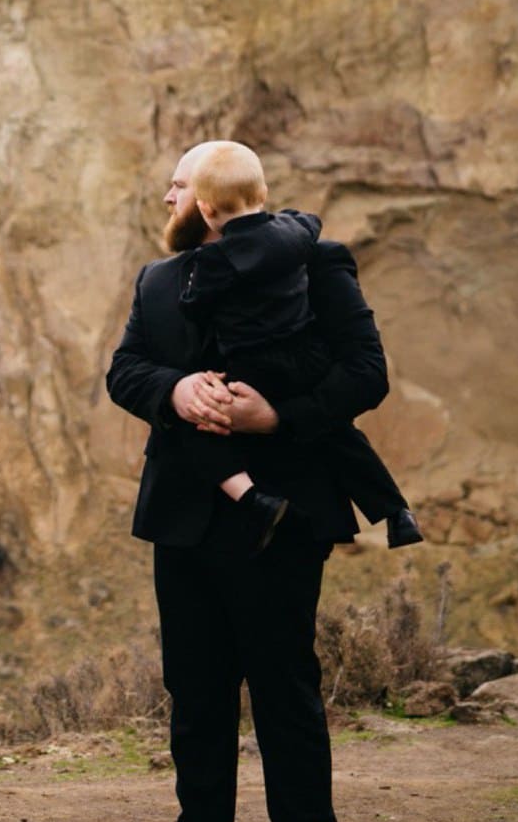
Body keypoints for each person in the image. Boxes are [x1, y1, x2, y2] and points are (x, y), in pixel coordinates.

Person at [105, 140, 394, 822]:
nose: (166, 199)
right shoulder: (158, 279)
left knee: (284, 698)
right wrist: (173, 387)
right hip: (183, 518)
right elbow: (124, 370)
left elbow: (366, 372)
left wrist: (279, 415)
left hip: (283, 521)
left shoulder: (320, 263)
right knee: (194, 698)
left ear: (206, 199)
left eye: (176, 187)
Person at [172, 141, 422, 551]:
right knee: (340, 434)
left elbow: (194, 306)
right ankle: (395, 512)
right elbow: (310, 224)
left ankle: (254, 500)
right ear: (263, 194)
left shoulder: (214, 262)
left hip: (252, 363)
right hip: (306, 358)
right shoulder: (296, 231)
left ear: (206, 209)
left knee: (203, 425)